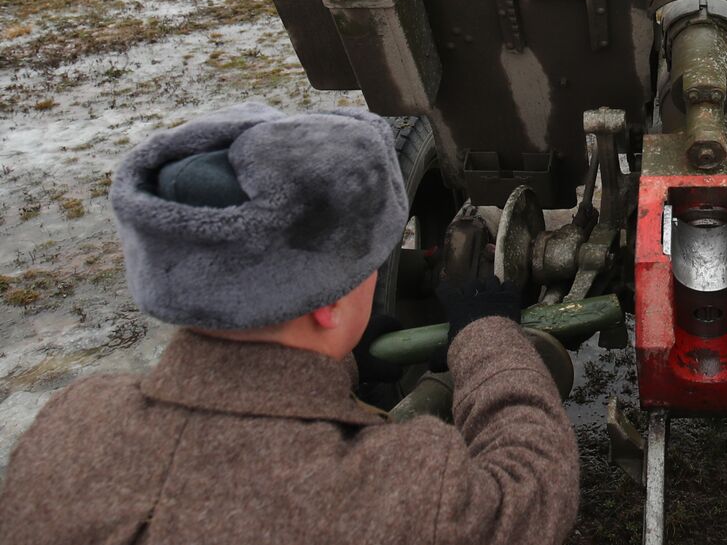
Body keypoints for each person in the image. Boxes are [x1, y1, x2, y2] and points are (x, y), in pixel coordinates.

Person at [0, 104, 578, 545]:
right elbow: (533, 486)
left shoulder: (70, 425)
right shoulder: (398, 487)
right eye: (367, 270)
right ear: (326, 304)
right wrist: (487, 335)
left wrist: (336, 361)